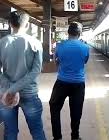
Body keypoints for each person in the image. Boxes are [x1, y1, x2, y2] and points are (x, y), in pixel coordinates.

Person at [0, 11, 46, 140]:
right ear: (27, 25)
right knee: (37, 131)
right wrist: (15, 89)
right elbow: (36, 70)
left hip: (6, 94)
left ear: (10, 24)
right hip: (29, 93)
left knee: (10, 132)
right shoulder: (35, 43)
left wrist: (10, 89)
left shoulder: (1, 43)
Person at [49, 22, 89, 140]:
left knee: (54, 106)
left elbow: (56, 62)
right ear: (80, 33)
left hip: (62, 82)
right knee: (76, 111)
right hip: (78, 84)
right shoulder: (85, 47)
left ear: (68, 32)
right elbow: (84, 62)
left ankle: (57, 137)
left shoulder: (60, 46)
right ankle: (75, 136)